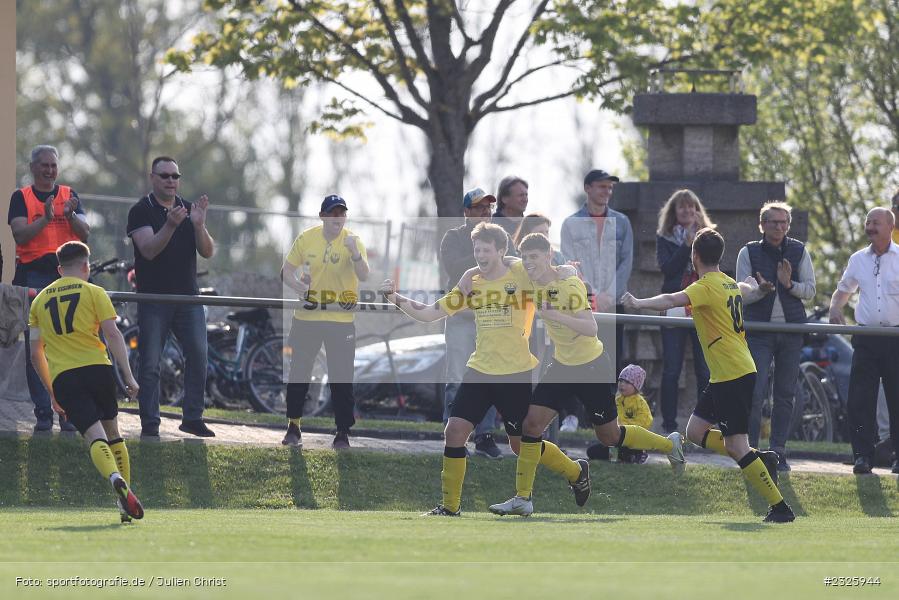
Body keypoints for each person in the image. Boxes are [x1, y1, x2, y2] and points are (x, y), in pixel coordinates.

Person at [382, 223, 586, 517]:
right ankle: (450, 508)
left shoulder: (519, 274)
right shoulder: (472, 283)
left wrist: (567, 271)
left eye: (486, 249)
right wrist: (395, 297)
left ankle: (575, 471)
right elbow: (429, 313)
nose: (480, 255)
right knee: (454, 432)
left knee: (521, 446)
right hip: (479, 370)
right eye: (477, 249)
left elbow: (542, 269)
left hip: (514, 373)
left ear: (502, 251)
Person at [486, 233, 684, 517]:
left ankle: (669, 443)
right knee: (531, 426)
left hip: (592, 365)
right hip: (561, 364)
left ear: (549, 257)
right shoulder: (529, 275)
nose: (529, 262)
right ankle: (523, 499)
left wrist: (556, 315)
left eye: (535, 257)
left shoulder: (570, 283)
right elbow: (506, 259)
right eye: (526, 256)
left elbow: (590, 327)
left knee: (609, 437)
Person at [622, 228, 796, 523]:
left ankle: (780, 507)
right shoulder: (727, 282)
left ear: (695, 256)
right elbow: (744, 288)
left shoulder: (705, 286)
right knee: (694, 432)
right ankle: (759, 457)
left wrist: (638, 303)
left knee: (735, 447)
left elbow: (670, 299)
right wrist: (756, 288)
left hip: (732, 373)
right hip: (729, 373)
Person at [28, 241, 144, 523]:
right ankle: (122, 505)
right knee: (114, 434)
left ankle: (114, 477)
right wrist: (128, 376)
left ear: (59, 269)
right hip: (98, 369)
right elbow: (114, 335)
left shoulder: (39, 301)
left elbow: (34, 352)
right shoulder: (95, 292)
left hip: (65, 378)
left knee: (95, 438)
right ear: (86, 266)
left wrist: (51, 391)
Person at [127, 156, 216, 439]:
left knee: (199, 357)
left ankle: (192, 418)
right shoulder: (141, 211)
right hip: (154, 299)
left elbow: (208, 252)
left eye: (175, 176)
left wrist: (199, 226)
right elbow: (148, 250)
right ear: (152, 177)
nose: (171, 181)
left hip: (188, 298)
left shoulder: (188, 209)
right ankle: (150, 424)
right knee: (151, 362)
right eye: (164, 176)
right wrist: (170, 226)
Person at [8, 145, 89, 433]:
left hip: (67, 276)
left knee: (67, 347)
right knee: (37, 348)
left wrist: (69, 216)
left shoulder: (70, 196)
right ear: (33, 167)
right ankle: (44, 412)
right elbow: (19, 233)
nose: (49, 170)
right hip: (33, 278)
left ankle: (67, 413)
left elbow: (85, 233)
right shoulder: (21, 198)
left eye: (53, 165)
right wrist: (44, 217)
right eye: (44, 165)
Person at [280, 195, 369, 450]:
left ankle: (342, 432)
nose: (337, 218)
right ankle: (294, 426)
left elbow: (364, 275)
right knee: (299, 373)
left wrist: (353, 253)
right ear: (322, 216)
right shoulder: (306, 238)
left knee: (341, 378)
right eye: (332, 213)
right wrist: (300, 288)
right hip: (307, 318)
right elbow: (286, 271)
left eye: (341, 213)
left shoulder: (354, 241)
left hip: (340, 320)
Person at [737, 201, 816, 472]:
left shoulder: (799, 250)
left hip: (792, 332)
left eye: (784, 223)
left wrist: (788, 285)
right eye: (774, 222)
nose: (779, 227)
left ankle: (778, 451)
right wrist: (761, 290)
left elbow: (810, 290)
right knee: (755, 392)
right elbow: (740, 295)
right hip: (759, 333)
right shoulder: (747, 252)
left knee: (785, 394)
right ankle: (751, 452)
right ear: (762, 225)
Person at [829, 207, 899, 475]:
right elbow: (843, 290)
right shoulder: (858, 259)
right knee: (860, 400)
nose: (870, 227)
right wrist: (836, 308)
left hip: (895, 337)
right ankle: (862, 457)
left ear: (890, 226)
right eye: (868, 222)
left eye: (876, 223)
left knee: (897, 399)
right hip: (866, 337)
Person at [437, 188, 505, 459]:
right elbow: (454, 268)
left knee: (488, 377)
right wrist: (486, 255)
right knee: (456, 377)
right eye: (478, 209)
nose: (485, 213)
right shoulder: (453, 237)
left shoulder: (500, 237)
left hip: (490, 317)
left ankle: (484, 436)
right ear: (466, 213)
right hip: (460, 318)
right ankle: (452, 434)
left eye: (488, 209)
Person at [561, 169, 633, 373]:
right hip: (583, 304)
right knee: (582, 361)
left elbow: (626, 262)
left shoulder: (623, 222)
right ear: (587, 188)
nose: (607, 191)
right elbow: (569, 263)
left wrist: (609, 295)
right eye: (602, 186)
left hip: (614, 304)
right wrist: (592, 295)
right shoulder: (570, 224)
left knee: (612, 363)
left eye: (610, 187)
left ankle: (608, 405)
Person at [655, 189, 713, 434]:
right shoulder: (665, 238)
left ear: (697, 210)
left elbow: (712, 270)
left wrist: (698, 241)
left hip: (702, 306)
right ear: (674, 212)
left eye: (691, 207)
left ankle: (704, 426)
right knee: (672, 368)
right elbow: (668, 270)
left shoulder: (709, 237)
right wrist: (686, 245)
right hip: (675, 305)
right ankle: (669, 425)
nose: (687, 211)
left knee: (704, 367)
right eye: (682, 207)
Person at [586, 364, 656, 463]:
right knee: (592, 451)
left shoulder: (639, 402)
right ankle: (621, 457)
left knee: (630, 447)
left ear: (636, 386)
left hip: (631, 438)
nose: (622, 384)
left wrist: (626, 427)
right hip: (616, 437)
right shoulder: (616, 400)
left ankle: (637, 454)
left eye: (627, 382)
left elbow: (646, 420)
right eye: (620, 381)